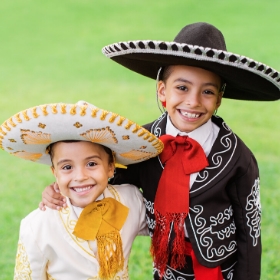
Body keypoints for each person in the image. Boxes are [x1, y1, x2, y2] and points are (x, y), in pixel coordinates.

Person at [40, 22, 280, 280]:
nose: (193, 101)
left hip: (221, 271)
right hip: (167, 269)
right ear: (162, 90)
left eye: (207, 91)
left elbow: (249, 229)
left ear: (219, 98)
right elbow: (103, 184)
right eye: (182, 87)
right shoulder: (139, 143)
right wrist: (58, 192)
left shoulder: (236, 156)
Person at [0, 101, 163, 279]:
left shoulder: (131, 199)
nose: (80, 176)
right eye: (67, 167)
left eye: (91, 164)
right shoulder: (37, 225)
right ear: (54, 172)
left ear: (110, 167)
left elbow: (164, 227)